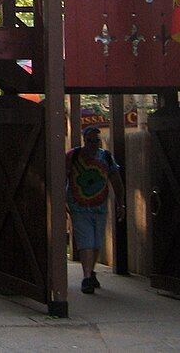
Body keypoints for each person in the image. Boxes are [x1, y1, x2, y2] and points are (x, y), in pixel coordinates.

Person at [66, 125, 127, 295]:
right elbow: (62, 176)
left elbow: (116, 181)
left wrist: (120, 203)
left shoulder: (106, 157)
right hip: (78, 206)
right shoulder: (73, 156)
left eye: (96, 140)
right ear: (84, 140)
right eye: (90, 140)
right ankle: (86, 277)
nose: (93, 143)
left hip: (99, 207)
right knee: (86, 240)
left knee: (96, 241)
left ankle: (91, 272)